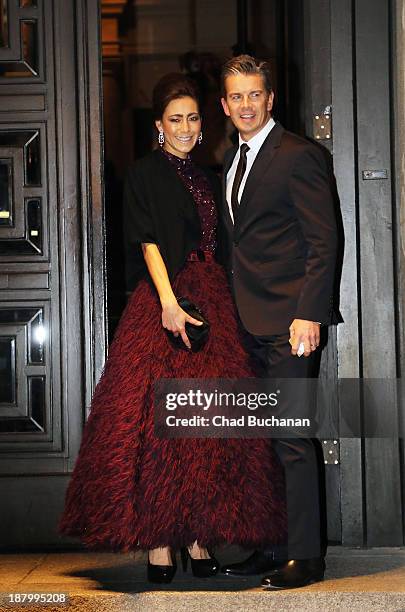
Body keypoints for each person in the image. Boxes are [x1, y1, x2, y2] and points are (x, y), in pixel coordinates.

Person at [58, 73, 286, 585]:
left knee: (206, 427)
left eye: (192, 119)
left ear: (203, 126)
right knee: (158, 428)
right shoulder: (143, 174)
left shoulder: (211, 175)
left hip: (214, 304)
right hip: (165, 299)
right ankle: (161, 543)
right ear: (158, 126)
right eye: (174, 120)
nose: (184, 128)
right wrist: (166, 302)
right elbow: (147, 241)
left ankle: (201, 537)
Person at [219, 56, 338, 589]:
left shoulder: (300, 155)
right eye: (235, 97)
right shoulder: (230, 159)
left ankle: (307, 557)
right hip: (248, 322)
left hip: (291, 322)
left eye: (254, 95)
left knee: (291, 438)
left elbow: (323, 241)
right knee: (262, 441)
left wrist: (309, 313)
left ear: (271, 100)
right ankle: (271, 546)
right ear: (225, 105)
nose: (246, 105)